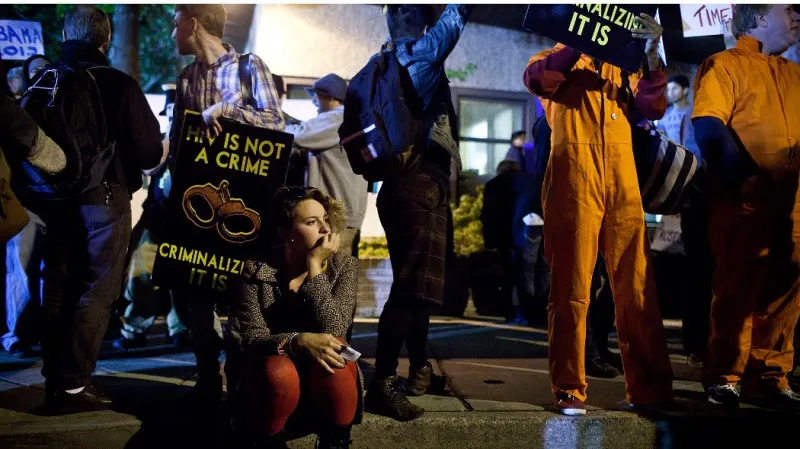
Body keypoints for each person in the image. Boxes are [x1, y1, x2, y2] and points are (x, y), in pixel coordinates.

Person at [15, 6, 165, 413]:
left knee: (57, 287)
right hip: (104, 200)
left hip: (52, 202)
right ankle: (74, 385)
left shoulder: (44, 80)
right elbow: (150, 152)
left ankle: (55, 378)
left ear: (66, 34)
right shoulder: (117, 83)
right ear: (107, 37)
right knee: (96, 291)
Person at [523, 13, 674, 415]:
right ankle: (570, 388)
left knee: (637, 287)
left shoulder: (624, 65)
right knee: (571, 287)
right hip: (574, 179)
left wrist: (652, 54)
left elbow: (654, 107)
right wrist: (583, 41)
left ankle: (649, 389)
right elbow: (540, 79)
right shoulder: (552, 55)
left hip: (622, 181)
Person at [170, 3, 284, 406]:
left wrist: (226, 110)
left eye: (175, 23)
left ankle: (239, 381)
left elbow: (276, 123)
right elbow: (179, 145)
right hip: (197, 210)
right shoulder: (186, 78)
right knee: (195, 302)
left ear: (193, 23)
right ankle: (206, 379)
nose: (172, 32)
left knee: (241, 304)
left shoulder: (250, 68)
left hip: (243, 211)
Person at [364, 4, 473, 422]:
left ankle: (419, 371)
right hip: (419, 187)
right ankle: (384, 383)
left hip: (405, 188)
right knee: (410, 290)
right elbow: (454, 20)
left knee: (418, 290)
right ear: (421, 24)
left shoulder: (387, 60)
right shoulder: (414, 56)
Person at [692, 4, 800, 410]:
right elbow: (708, 126)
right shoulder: (724, 65)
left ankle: (770, 374)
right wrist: (744, 178)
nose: (797, 15)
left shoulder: (794, 73)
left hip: (793, 200)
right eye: (788, 8)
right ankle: (725, 375)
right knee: (737, 288)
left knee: (786, 293)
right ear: (757, 18)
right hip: (745, 200)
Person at [233, 186, 360, 449]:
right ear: (285, 232)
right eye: (312, 222)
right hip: (275, 382)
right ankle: (268, 440)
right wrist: (297, 341)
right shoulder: (256, 270)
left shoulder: (344, 267)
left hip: (327, 381)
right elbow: (253, 339)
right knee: (278, 371)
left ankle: (336, 441)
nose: (325, 229)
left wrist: (315, 268)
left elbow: (337, 329)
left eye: (326, 219)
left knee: (339, 357)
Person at [113, 83, 190, 351]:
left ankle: (180, 329)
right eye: (171, 111)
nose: (174, 115)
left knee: (180, 281)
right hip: (157, 221)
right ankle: (134, 329)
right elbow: (151, 167)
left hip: (184, 226)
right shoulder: (164, 140)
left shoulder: (199, 141)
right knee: (140, 276)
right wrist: (170, 137)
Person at [285, 73, 368, 257]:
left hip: (337, 217)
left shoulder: (338, 118)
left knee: (332, 277)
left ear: (331, 97)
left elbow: (298, 135)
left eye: (317, 96)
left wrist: (275, 123)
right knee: (336, 276)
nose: (314, 102)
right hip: (341, 214)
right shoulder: (347, 118)